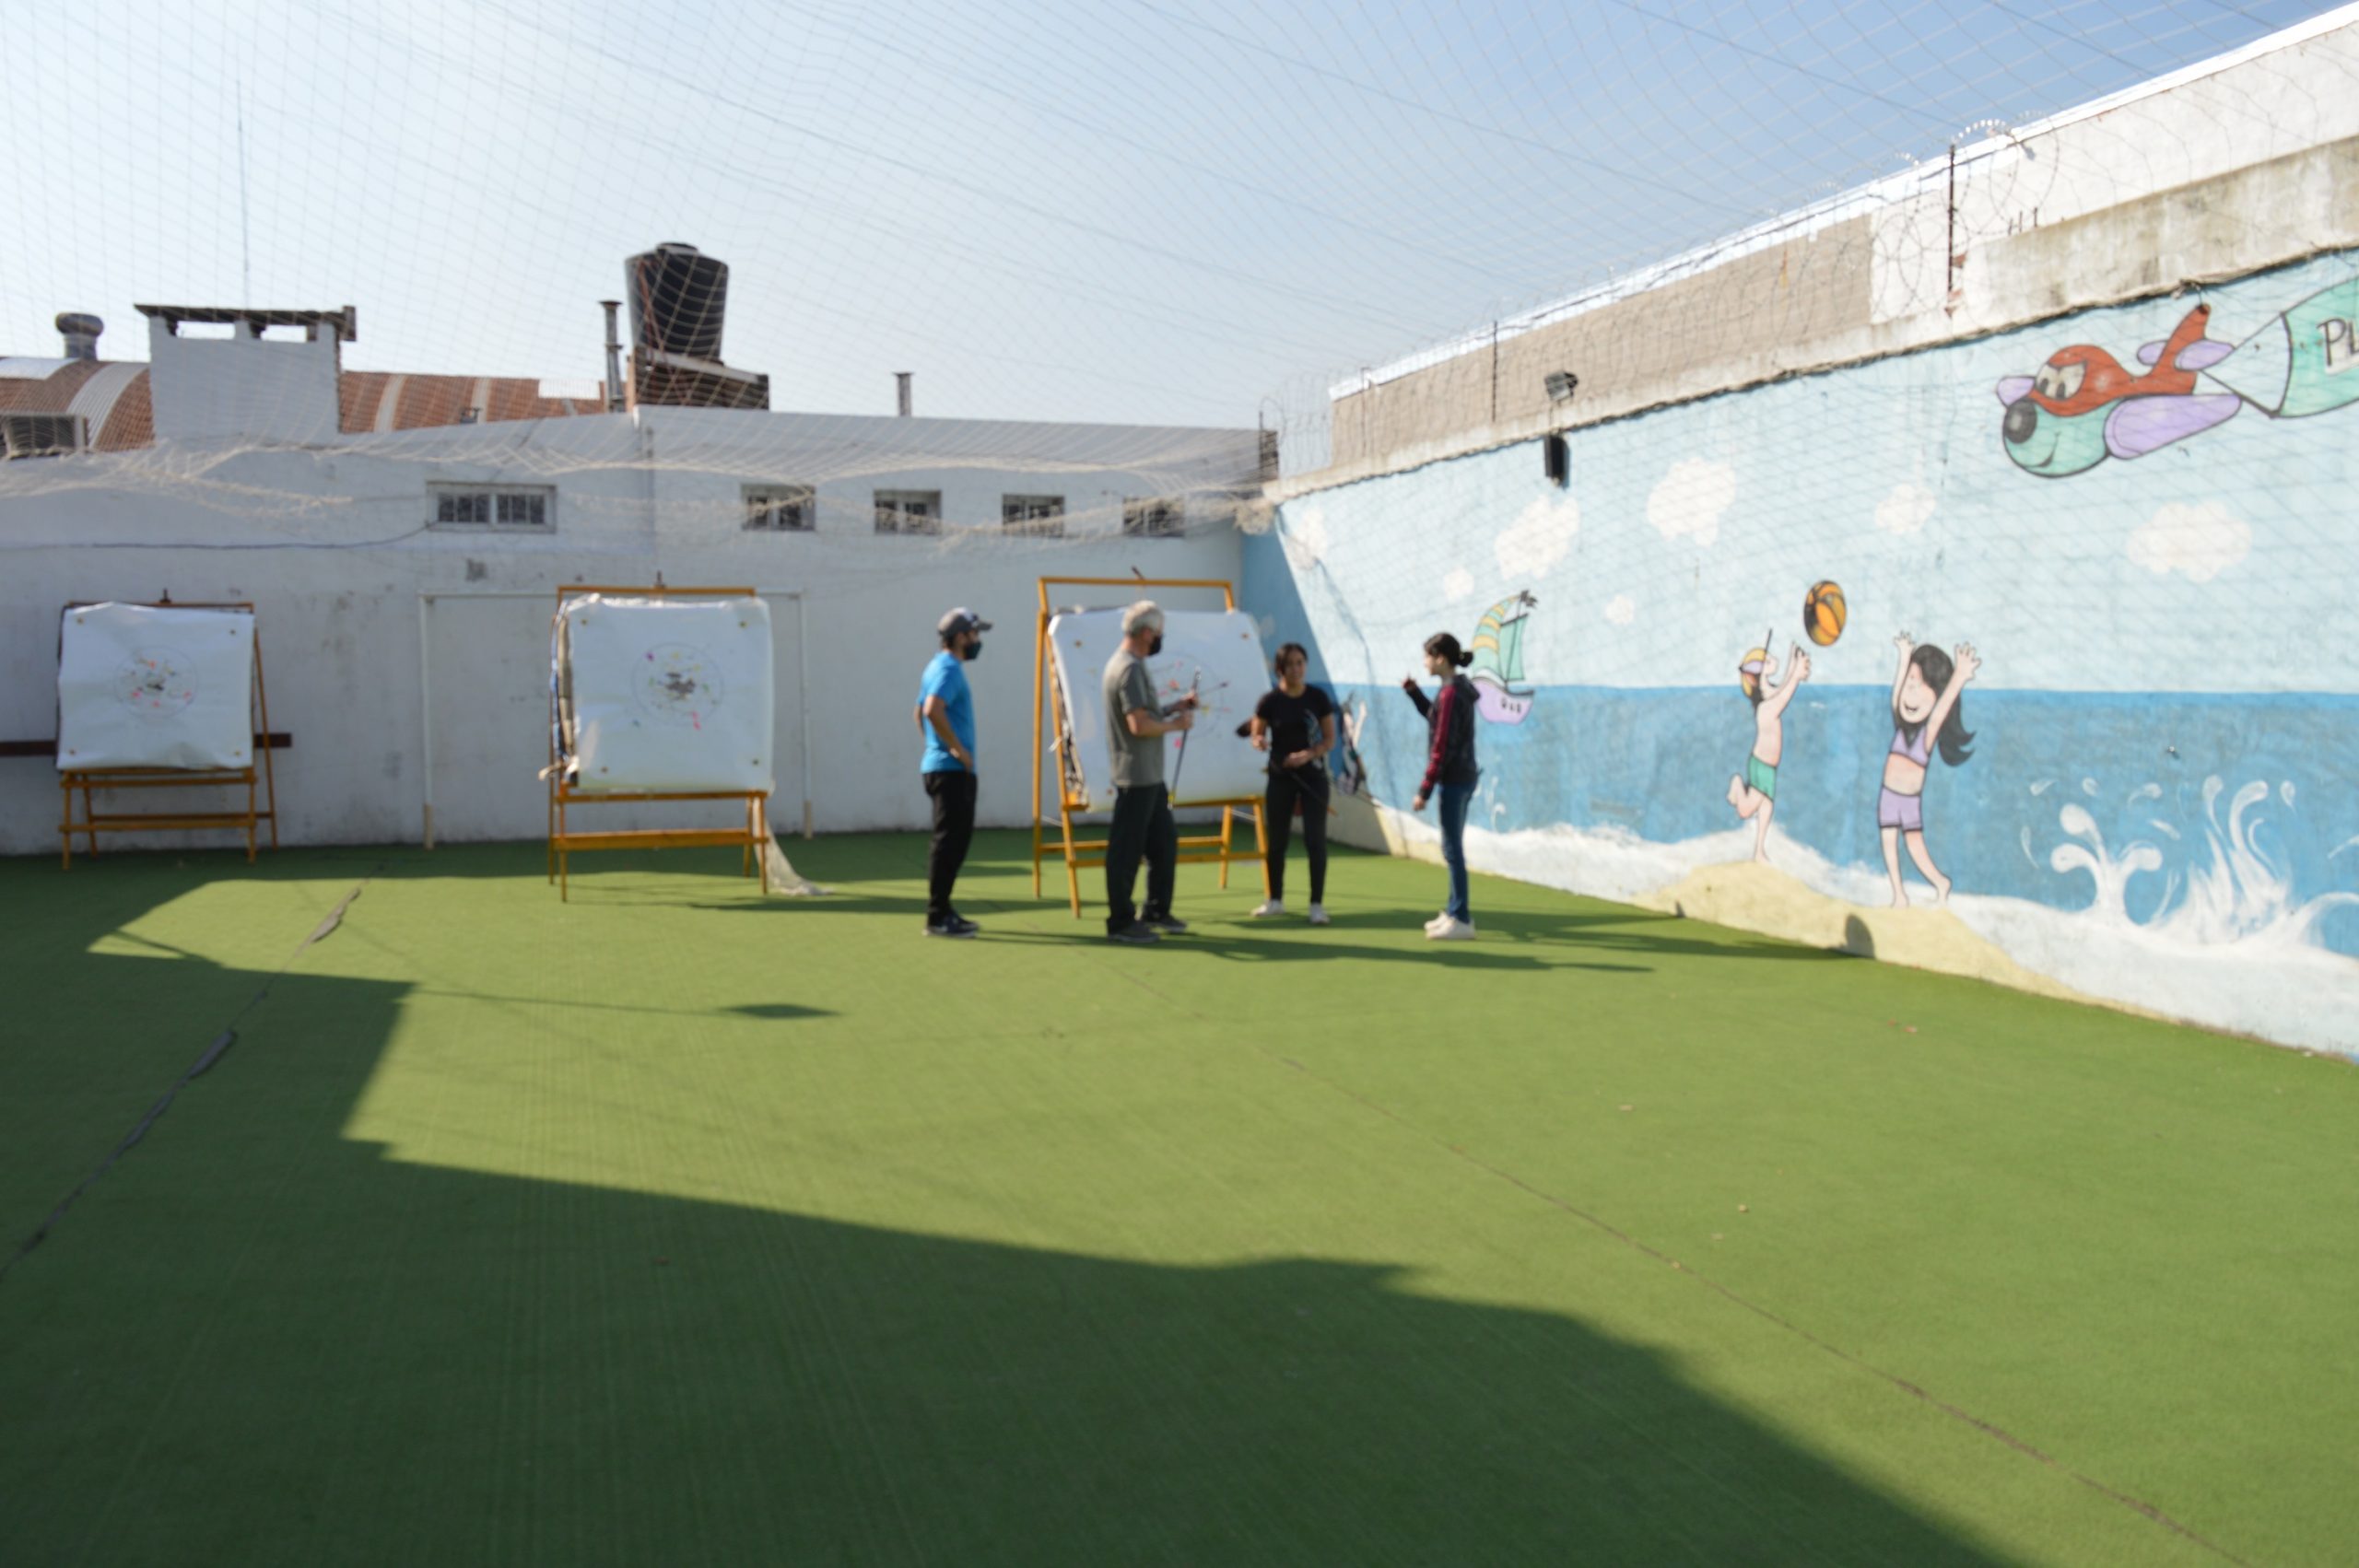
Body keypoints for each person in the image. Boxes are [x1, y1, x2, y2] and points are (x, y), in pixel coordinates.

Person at [1101, 601, 1195, 945]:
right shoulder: (1130, 669)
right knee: (1126, 851)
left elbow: (1143, 713)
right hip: (1136, 775)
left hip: (1149, 776)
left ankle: (1155, 909)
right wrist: (1175, 724)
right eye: (1158, 634)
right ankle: (1121, 921)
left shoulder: (1128, 665)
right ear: (1145, 633)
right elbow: (1138, 725)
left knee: (1164, 843)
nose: (1160, 640)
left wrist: (1173, 707)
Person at [1879, 633, 1979, 907]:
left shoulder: (1926, 735)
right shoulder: (1901, 725)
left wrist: (1959, 676)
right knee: (1888, 841)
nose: (1910, 693)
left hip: (1908, 800)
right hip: (1889, 795)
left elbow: (1940, 710)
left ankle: (1941, 882)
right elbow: (1896, 692)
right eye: (1910, 684)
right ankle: (1898, 894)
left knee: (1914, 846)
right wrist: (1903, 657)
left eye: (1920, 686)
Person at [1247, 642, 1336, 924]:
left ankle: (1316, 905)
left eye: (1301, 663)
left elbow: (1329, 740)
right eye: (1291, 665)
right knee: (1277, 841)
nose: (1297, 669)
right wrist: (1259, 741)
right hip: (1280, 777)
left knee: (1315, 841)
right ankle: (1275, 900)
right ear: (1280, 669)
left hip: (1313, 777)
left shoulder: (1318, 698)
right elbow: (1256, 732)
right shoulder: (1269, 701)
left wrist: (1308, 755)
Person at [915, 607, 990, 937]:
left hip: (941, 766)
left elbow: (918, 712)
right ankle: (937, 915)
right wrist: (957, 750)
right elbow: (931, 710)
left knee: (954, 842)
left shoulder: (937, 666)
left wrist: (935, 746)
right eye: (975, 635)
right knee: (949, 843)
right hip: (951, 770)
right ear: (961, 637)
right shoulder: (949, 669)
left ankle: (944, 910)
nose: (977, 641)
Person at [1402, 631, 1481, 940]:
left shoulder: (1451, 693)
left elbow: (1442, 745)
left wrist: (1425, 789)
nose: (1424, 663)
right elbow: (1437, 721)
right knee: (1452, 848)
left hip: (1454, 780)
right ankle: (1453, 911)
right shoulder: (1454, 689)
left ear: (1441, 658)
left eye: (1427, 657)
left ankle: (1461, 918)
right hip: (1464, 776)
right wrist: (1413, 693)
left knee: (1452, 849)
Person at [1726, 641, 1810, 865]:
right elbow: (1784, 694)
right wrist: (1796, 674)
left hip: (1770, 767)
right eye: (1767, 661)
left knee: (1767, 808)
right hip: (1762, 765)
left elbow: (1781, 689)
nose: (1772, 661)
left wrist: (1794, 665)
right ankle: (1736, 784)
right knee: (1745, 810)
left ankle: (1759, 851)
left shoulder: (1769, 695)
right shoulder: (1766, 708)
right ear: (1757, 676)